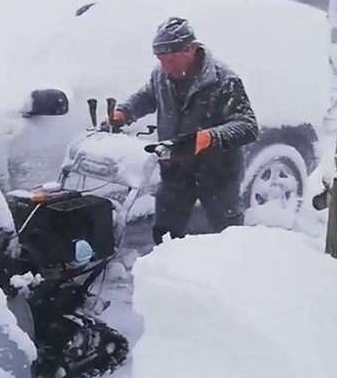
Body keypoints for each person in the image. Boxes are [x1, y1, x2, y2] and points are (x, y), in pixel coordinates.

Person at [109, 16, 260, 244]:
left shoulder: (224, 81)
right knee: (165, 233)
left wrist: (209, 137)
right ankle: (164, 273)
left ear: (190, 50)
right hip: (175, 169)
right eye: (160, 59)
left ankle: (228, 276)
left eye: (170, 59)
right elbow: (148, 96)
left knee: (229, 235)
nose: (165, 66)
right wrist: (125, 112)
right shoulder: (161, 75)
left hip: (217, 172)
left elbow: (248, 126)